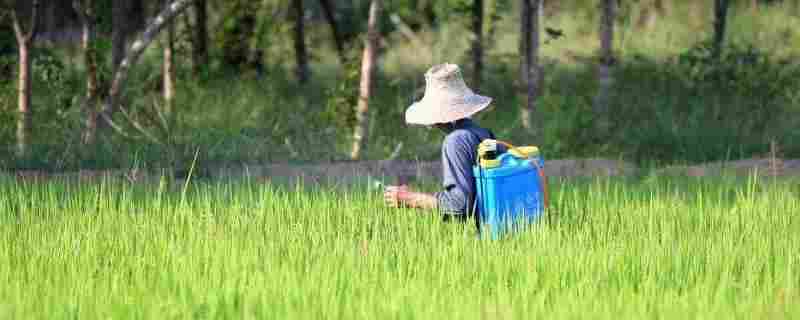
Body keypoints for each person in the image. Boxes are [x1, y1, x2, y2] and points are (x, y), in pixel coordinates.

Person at [384, 63, 503, 221]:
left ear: (433, 119)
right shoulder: (483, 133)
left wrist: (409, 198)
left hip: (493, 235)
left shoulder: (456, 141)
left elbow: (460, 205)